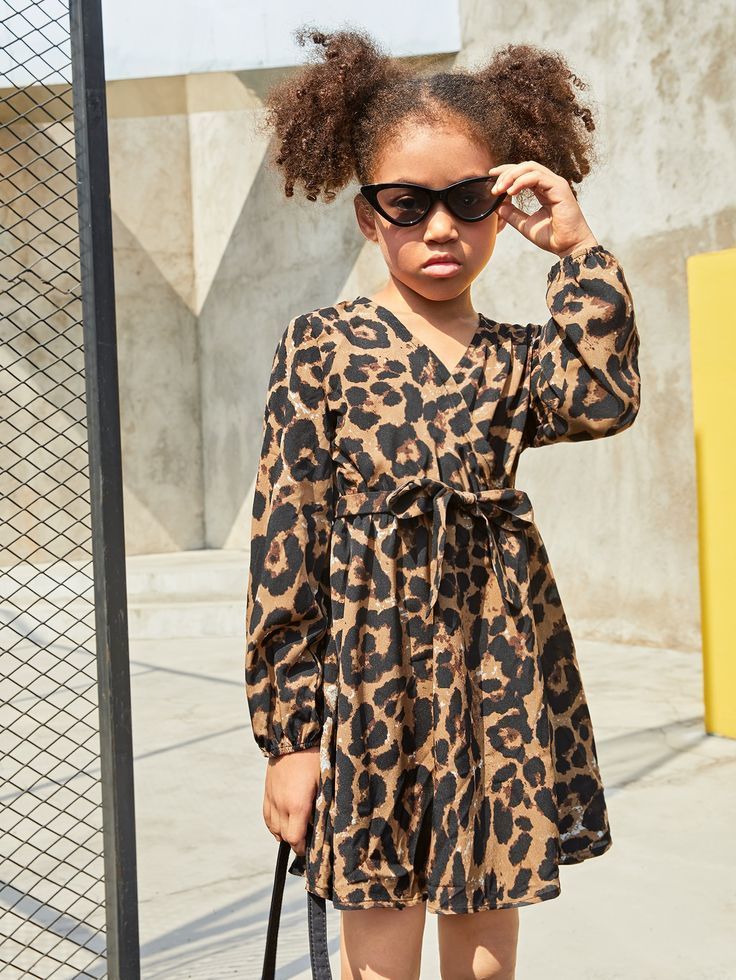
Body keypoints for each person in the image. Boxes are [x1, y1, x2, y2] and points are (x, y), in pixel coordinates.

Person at [245, 25, 641, 980]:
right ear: (367, 216)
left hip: (497, 676)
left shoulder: (518, 356)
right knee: (381, 957)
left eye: (468, 200)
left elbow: (604, 396)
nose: (439, 228)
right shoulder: (322, 346)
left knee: (487, 961)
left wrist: (576, 246)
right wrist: (292, 741)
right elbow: (285, 546)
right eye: (407, 203)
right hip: (370, 690)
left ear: (501, 207)